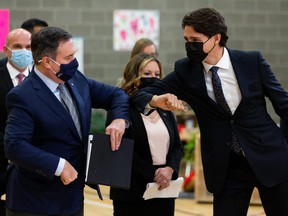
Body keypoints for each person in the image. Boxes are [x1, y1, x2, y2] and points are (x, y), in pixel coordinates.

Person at [131, 8, 288, 216]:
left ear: (216, 38)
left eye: (195, 40)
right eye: (186, 40)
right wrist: (158, 100)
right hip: (226, 167)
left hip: (269, 157)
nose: (189, 45)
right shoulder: (185, 71)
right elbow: (140, 96)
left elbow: (284, 105)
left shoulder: (251, 61)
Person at [4, 26, 129, 216]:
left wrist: (119, 120)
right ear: (47, 62)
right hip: (35, 201)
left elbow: (117, 94)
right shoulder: (23, 96)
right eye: (68, 58)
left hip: (73, 198)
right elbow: (15, 145)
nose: (75, 62)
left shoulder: (76, 79)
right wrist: (58, 165)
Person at [109, 53, 183, 216]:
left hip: (163, 190)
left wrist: (170, 169)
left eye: (157, 74)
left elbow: (177, 146)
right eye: (147, 74)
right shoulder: (122, 106)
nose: (153, 78)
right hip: (131, 191)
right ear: (134, 77)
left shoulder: (165, 108)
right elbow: (123, 149)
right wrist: (155, 174)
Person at [0, 28, 33, 215]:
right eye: (18, 47)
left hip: (35, 166)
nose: (24, 51)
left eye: (28, 47)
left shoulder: (42, 75)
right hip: (2, 161)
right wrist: (12, 148)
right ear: (6, 49)